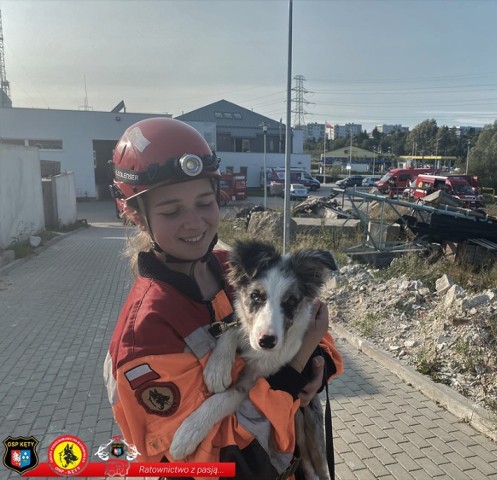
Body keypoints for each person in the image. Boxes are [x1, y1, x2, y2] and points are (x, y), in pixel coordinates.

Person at [103, 117, 343, 480]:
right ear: (137, 216)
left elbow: (309, 329)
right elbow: (210, 454)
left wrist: (318, 362)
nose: (195, 222)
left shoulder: (230, 270)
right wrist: (292, 378)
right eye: (171, 211)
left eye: (204, 201)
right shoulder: (146, 332)